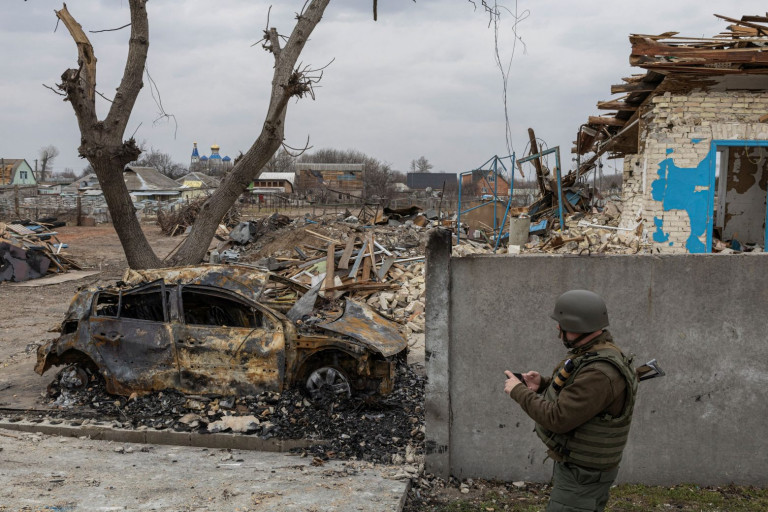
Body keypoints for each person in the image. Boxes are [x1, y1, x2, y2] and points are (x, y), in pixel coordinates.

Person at [503, 289, 638, 512]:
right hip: (582, 472)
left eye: (563, 323)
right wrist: (544, 384)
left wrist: (519, 391)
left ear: (579, 326)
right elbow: (582, 398)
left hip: (583, 476)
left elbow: (558, 418)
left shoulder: (599, 372)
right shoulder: (594, 353)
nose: (558, 327)